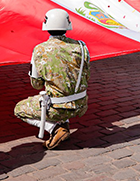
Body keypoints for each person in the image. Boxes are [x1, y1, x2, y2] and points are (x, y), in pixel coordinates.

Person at [14, 9, 89, 149]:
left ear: (46, 25)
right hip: (81, 104)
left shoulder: (40, 50)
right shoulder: (82, 47)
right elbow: (86, 74)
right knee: (64, 90)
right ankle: (63, 123)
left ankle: (55, 128)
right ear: (68, 25)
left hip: (57, 107)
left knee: (19, 109)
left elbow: (36, 84)